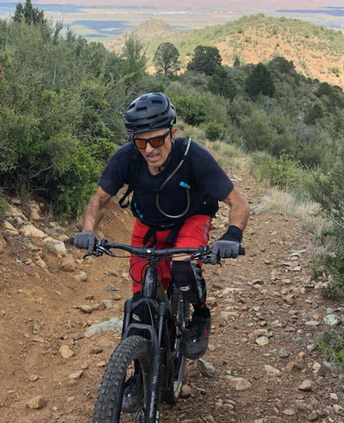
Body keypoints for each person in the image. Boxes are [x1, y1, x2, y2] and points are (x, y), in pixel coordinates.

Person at [73, 92, 250, 359]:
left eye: (156, 140)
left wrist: (232, 235)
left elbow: (239, 203)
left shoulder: (194, 157)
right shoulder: (127, 158)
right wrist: (88, 231)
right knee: (141, 301)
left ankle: (200, 314)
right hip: (149, 224)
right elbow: (98, 200)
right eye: (141, 142)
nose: (149, 150)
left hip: (192, 218)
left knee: (182, 268)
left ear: (173, 133)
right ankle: (139, 368)